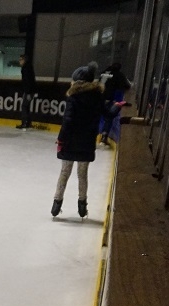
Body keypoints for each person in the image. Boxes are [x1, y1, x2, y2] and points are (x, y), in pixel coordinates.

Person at [52, 62, 124, 218]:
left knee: (64, 172)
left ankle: (56, 205)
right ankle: (82, 206)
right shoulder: (97, 96)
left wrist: (61, 139)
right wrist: (117, 106)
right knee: (82, 174)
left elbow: (67, 121)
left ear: (77, 81)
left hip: (70, 141)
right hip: (87, 142)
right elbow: (108, 115)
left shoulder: (73, 97)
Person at [99, 62, 131, 144]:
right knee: (109, 117)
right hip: (110, 100)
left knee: (97, 117)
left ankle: (95, 135)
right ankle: (104, 135)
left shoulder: (103, 73)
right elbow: (127, 86)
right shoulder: (119, 75)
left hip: (99, 98)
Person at [16, 53, 36, 130]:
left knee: (24, 106)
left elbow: (28, 81)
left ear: (24, 60)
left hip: (29, 91)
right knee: (26, 106)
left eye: (20, 60)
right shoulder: (28, 67)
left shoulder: (26, 68)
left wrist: (28, 92)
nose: (19, 61)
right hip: (30, 90)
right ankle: (28, 123)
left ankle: (24, 123)